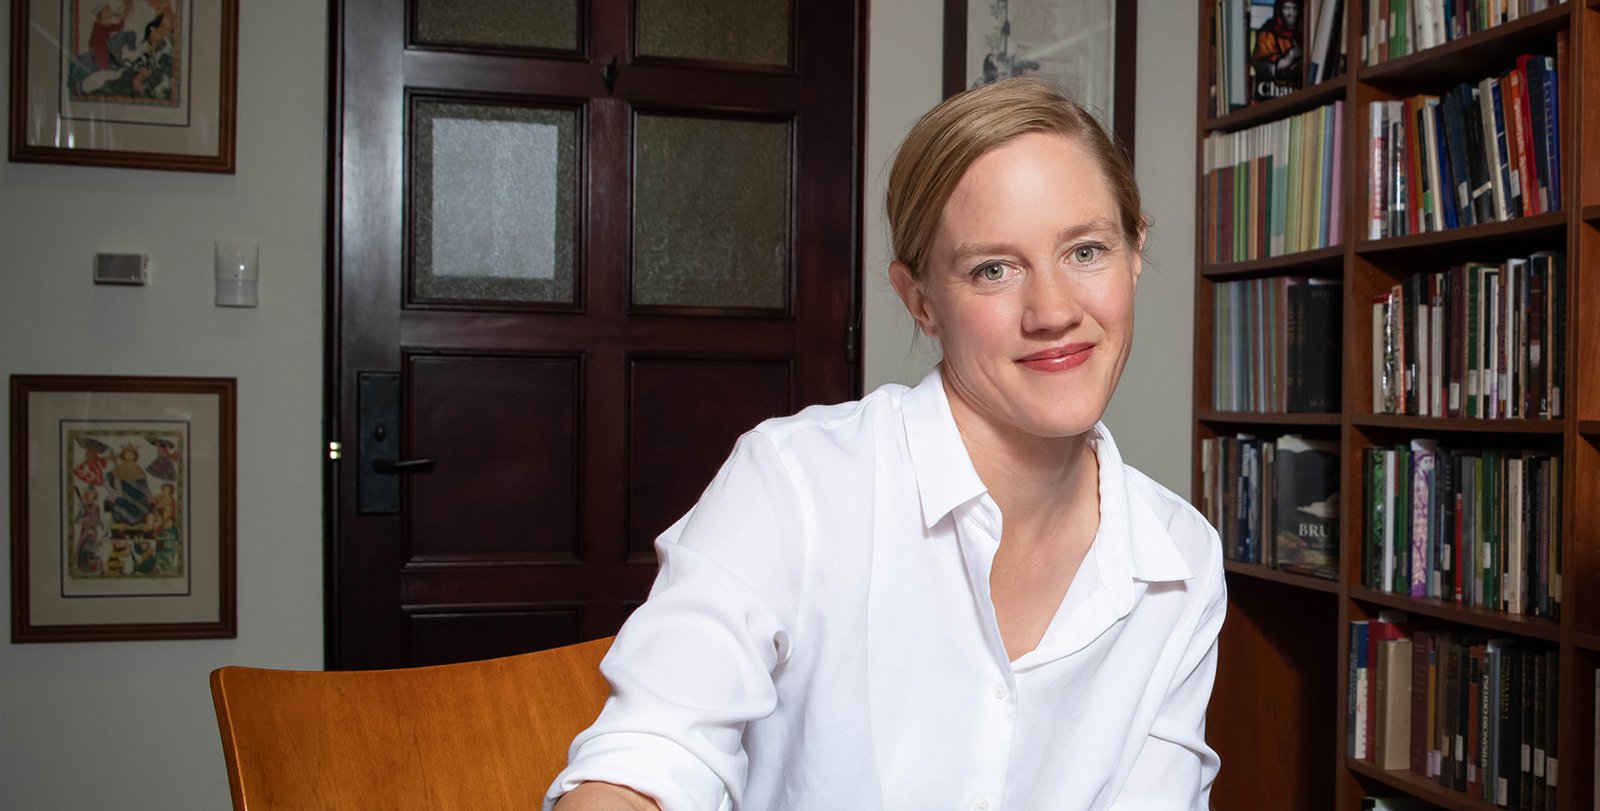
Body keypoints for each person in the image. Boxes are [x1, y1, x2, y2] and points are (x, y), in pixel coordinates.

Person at [547, 77, 1227, 811]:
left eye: (1086, 250)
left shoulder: (1182, 560)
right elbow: (647, 758)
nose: (1053, 310)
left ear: (1134, 253)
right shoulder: (796, 483)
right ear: (921, 300)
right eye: (992, 269)